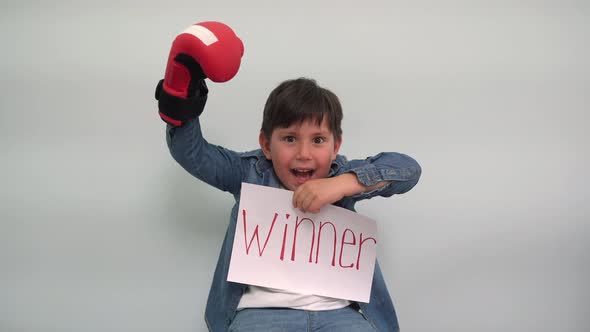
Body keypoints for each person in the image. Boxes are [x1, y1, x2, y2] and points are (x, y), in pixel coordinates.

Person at [156, 22, 421, 332]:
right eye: (290, 139)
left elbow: (408, 170)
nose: (304, 153)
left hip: (340, 314)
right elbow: (191, 153)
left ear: (336, 146)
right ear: (266, 145)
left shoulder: (342, 178)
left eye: (318, 140)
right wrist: (181, 89)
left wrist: (342, 184)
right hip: (261, 315)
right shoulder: (249, 173)